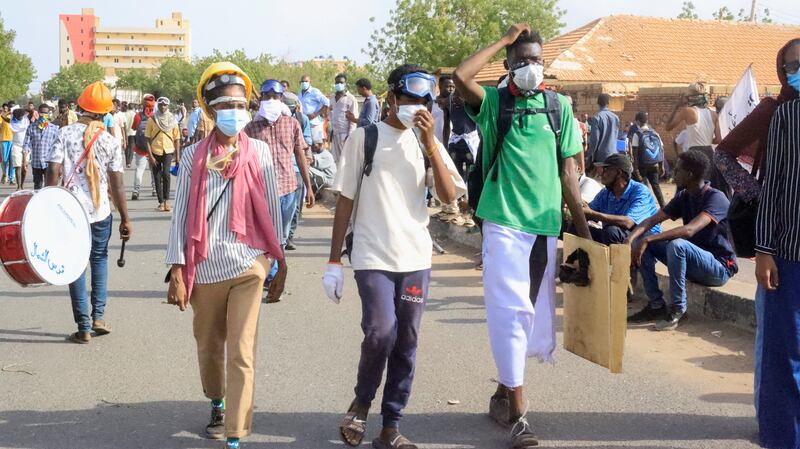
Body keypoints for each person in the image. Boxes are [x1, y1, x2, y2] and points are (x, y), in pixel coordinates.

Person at [453, 23, 591, 448]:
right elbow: (461, 77)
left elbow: (570, 173)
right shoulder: (495, 104)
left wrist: (583, 236)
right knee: (510, 313)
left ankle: (501, 393)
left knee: (530, 316)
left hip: (544, 226)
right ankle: (519, 417)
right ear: (509, 66)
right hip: (504, 223)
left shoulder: (558, 107)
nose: (530, 67)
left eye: (536, 60)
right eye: (521, 61)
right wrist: (503, 40)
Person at [323, 63, 463, 449]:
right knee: (381, 330)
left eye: (424, 101)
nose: (416, 106)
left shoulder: (426, 143)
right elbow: (345, 201)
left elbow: (451, 197)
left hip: (415, 258)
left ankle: (391, 425)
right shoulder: (364, 138)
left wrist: (431, 141)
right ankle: (362, 400)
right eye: (410, 99)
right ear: (392, 98)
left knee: (408, 339)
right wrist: (334, 262)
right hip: (371, 256)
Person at [165, 62, 285, 449]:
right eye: (224, 105)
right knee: (209, 345)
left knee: (242, 350)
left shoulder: (261, 153)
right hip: (205, 266)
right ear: (210, 111)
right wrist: (178, 269)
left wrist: (278, 260)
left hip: (248, 265)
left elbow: (271, 209)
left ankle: (235, 433)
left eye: (239, 103)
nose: (234, 111)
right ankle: (217, 400)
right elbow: (181, 215)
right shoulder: (191, 158)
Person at [715, 38, 800, 421]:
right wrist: (756, 192)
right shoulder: (775, 111)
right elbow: (724, 153)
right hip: (779, 234)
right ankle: (778, 425)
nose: (794, 73)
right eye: (789, 67)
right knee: (780, 342)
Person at [46, 81, 132, 344]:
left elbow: (53, 171)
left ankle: (83, 328)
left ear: (80, 106)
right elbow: (116, 184)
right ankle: (98, 317)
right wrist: (126, 218)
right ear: (104, 113)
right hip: (99, 211)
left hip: (69, 210)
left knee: (75, 265)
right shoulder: (109, 140)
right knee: (99, 259)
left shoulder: (64, 134)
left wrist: (48, 203)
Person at [626, 150, 737, 330]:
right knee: (642, 241)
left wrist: (650, 239)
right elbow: (652, 220)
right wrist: (631, 239)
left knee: (677, 245)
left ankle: (678, 309)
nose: (673, 174)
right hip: (693, 261)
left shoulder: (716, 198)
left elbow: (689, 230)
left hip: (718, 267)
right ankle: (656, 305)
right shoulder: (685, 196)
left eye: (677, 170)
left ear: (690, 175)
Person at [753, 38, 800, 448]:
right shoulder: (786, 115)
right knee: (785, 360)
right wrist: (764, 249)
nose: (794, 73)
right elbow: (773, 184)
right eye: (789, 68)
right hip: (790, 256)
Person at [244, 79, 314, 248]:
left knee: (281, 237)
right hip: (261, 190)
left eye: (275, 96)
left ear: (281, 99)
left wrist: (308, 186)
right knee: (265, 237)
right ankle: (270, 272)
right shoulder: (251, 128)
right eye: (267, 97)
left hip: (288, 188)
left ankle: (277, 268)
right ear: (261, 99)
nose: (271, 100)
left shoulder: (292, 124)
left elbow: (300, 155)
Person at [581, 153, 660, 245]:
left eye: (605, 169)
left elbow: (628, 222)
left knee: (611, 231)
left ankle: (621, 259)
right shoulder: (606, 192)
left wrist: (592, 214)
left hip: (643, 241)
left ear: (619, 173)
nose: (601, 173)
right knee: (575, 227)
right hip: (617, 235)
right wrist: (579, 208)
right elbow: (589, 212)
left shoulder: (640, 191)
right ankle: (586, 258)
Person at [666, 82, 727, 196]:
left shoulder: (688, 111)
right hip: (709, 154)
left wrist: (676, 107)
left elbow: (668, 127)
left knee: (686, 187)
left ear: (690, 97)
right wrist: (707, 139)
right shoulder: (713, 114)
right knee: (706, 189)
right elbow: (719, 140)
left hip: (693, 154)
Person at [145, 97, 181, 212]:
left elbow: (177, 139)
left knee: (166, 174)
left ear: (168, 106)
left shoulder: (173, 120)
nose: (163, 107)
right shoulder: (152, 119)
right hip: (155, 151)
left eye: (165, 105)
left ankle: (167, 200)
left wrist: (178, 157)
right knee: (157, 176)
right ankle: (160, 202)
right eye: (160, 105)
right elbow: (147, 139)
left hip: (168, 150)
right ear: (158, 106)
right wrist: (150, 156)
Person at [630, 111, 666, 208]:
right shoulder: (655, 133)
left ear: (637, 121)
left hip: (642, 166)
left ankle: (648, 207)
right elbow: (661, 149)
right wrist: (661, 166)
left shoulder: (637, 134)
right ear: (647, 121)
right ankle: (663, 207)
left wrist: (636, 169)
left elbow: (635, 153)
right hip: (654, 164)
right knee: (656, 186)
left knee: (644, 188)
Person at [24, 104, 60, 190]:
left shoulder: (54, 129)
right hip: (36, 163)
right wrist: (25, 159)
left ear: (48, 114)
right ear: (38, 113)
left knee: (49, 186)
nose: (43, 115)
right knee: (37, 185)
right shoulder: (31, 127)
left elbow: (58, 147)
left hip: (49, 163)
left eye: (46, 113)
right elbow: (26, 144)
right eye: (41, 113)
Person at [131, 94, 156, 200]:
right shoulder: (156, 116)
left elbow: (133, 127)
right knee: (154, 169)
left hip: (140, 148)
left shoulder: (138, 115)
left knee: (139, 170)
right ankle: (155, 189)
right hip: (154, 148)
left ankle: (136, 190)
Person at [329, 74, 359, 162]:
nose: (339, 84)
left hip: (345, 134)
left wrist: (350, 135)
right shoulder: (332, 98)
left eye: (341, 82)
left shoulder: (351, 98)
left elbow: (354, 119)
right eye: (337, 82)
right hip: (334, 133)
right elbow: (330, 114)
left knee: (346, 160)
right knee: (336, 161)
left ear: (345, 83)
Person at [587, 93, 620, 168]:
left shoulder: (597, 118)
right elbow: (615, 136)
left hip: (601, 157)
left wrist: (589, 156)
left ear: (598, 103)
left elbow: (594, 140)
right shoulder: (615, 117)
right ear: (608, 103)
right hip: (613, 154)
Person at [297, 75, 330, 145]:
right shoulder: (299, 94)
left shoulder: (315, 92)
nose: (304, 83)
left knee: (317, 146)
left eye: (306, 81)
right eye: (302, 81)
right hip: (304, 123)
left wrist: (316, 114)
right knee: (306, 145)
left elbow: (327, 102)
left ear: (310, 82)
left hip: (314, 123)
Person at [9, 108, 30, 190]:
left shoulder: (26, 121)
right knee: (18, 166)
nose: (20, 117)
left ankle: (22, 184)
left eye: (21, 116)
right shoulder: (12, 121)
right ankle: (19, 186)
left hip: (26, 146)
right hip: (16, 146)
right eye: (18, 116)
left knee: (25, 167)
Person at [0, 104, 14, 184]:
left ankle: (12, 178)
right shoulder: (1, 116)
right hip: (4, 140)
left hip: (12, 140)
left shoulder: (12, 116)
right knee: (4, 160)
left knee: (12, 160)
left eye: (6, 108)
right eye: (4, 108)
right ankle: (5, 174)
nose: (5, 109)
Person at [121, 101, 136, 167]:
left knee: (126, 147)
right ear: (133, 108)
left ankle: (127, 162)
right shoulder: (135, 114)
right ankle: (129, 162)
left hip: (126, 133)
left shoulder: (125, 114)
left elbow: (123, 124)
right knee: (132, 148)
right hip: (133, 133)